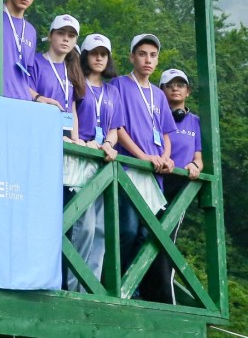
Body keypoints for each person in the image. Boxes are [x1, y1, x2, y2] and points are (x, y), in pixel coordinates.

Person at [109, 33, 176, 302]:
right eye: (142, 54)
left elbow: (166, 134)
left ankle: (131, 287)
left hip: (153, 176)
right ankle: (115, 283)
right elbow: (119, 128)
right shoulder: (118, 85)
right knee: (126, 229)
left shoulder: (159, 95)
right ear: (132, 57)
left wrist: (167, 157)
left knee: (147, 234)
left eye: (153, 55)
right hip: (128, 170)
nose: (148, 60)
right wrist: (143, 156)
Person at [66, 32, 122, 291]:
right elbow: (73, 114)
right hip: (82, 157)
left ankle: (92, 287)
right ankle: (74, 285)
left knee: (100, 228)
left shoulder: (113, 91)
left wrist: (109, 144)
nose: (99, 58)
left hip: (103, 160)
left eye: (103, 54)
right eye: (94, 53)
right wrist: (78, 140)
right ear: (85, 56)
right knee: (84, 226)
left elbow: (114, 128)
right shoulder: (76, 83)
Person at [146, 67, 203, 304]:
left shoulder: (195, 122)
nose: (175, 88)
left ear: (188, 90)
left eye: (180, 84)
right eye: (170, 85)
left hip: (180, 187)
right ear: (162, 90)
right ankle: (143, 291)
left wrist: (196, 166)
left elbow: (198, 156)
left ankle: (165, 300)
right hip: (154, 180)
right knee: (145, 236)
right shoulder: (154, 115)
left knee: (166, 240)